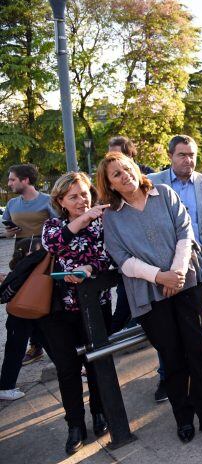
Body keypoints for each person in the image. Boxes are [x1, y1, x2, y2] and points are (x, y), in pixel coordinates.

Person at [97, 152, 202, 443]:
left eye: (127, 168)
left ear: (135, 168)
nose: (124, 175)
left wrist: (176, 273)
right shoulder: (112, 218)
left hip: (187, 283)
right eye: (116, 174)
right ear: (110, 184)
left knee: (200, 349)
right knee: (172, 357)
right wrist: (159, 276)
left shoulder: (164, 194)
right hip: (150, 294)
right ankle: (184, 418)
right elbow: (122, 259)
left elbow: (185, 232)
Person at [148, 135, 202, 401]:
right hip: (164, 271)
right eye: (182, 155)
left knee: (198, 329)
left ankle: (201, 379)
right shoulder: (152, 183)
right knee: (168, 330)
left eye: (192, 154)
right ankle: (167, 378)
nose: (188, 160)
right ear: (170, 156)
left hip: (199, 268)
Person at [39, 172, 113, 455]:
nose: (82, 200)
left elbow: (109, 255)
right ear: (61, 201)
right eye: (74, 196)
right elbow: (54, 244)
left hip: (95, 305)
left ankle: (100, 412)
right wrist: (84, 219)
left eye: (85, 194)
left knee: (96, 362)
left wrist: (89, 269)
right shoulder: (52, 225)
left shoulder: (103, 224)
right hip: (58, 310)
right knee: (68, 368)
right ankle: (75, 425)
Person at [0, 164, 56, 402]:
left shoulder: (48, 200)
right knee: (32, 316)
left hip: (43, 258)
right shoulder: (12, 205)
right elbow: (7, 227)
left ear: (25, 180)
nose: (10, 184)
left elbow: (59, 226)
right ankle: (74, 362)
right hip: (20, 259)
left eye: (12, 180)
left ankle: (70, 361)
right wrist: (11, 232)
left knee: (34, 316)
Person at [107, 136, 153, 334]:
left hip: (155, 257)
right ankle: (111, 338)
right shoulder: (110, 192)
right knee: (125, 304)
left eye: (117, 154)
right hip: (129, 260)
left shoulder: (151, 177)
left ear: (129, 155)